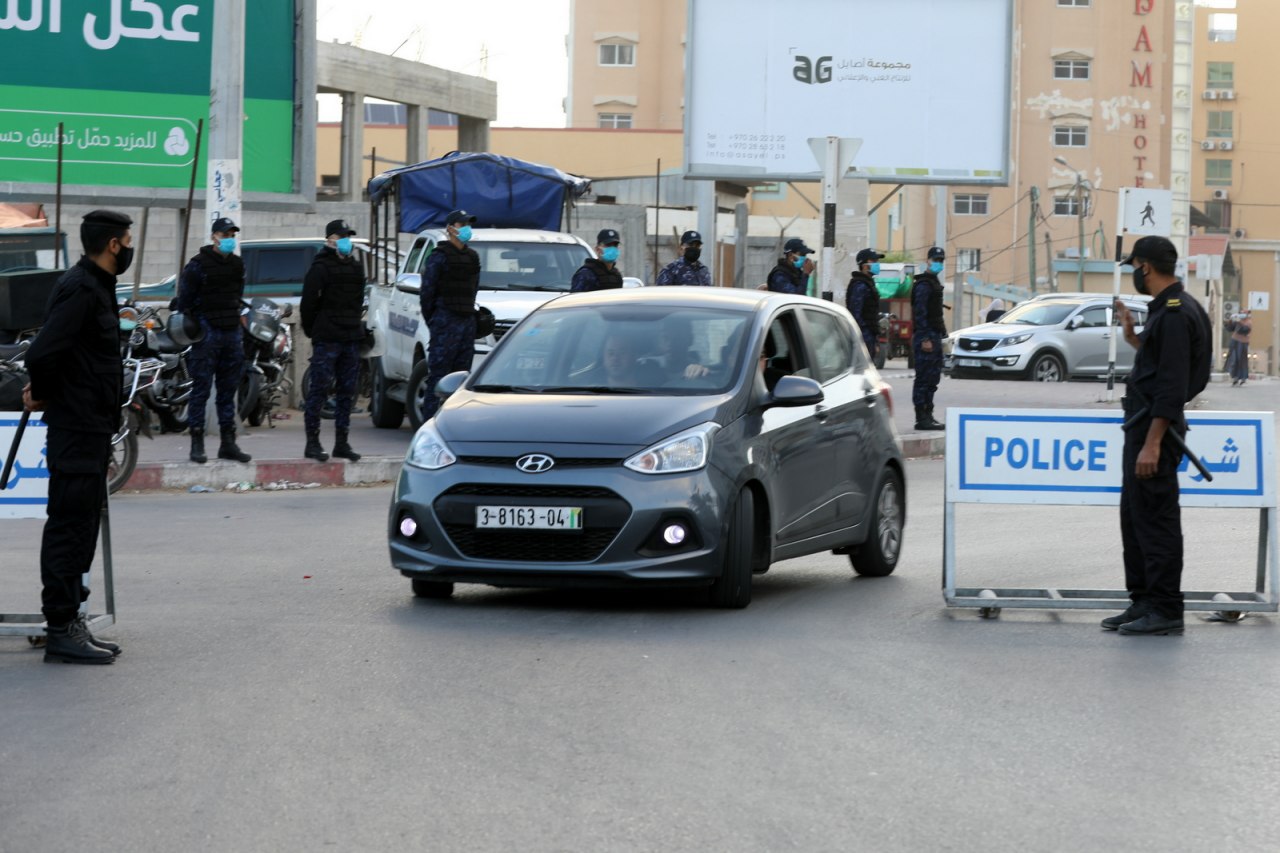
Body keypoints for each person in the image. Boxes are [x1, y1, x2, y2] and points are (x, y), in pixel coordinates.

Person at [20, 210, 132, 664]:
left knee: (82, 526)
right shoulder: (82, 289)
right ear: (112, 245)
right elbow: (44, 352)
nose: (128, 247)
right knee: (69, 527)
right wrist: (44, 393)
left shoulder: (97, 287)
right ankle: (62, 627)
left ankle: (70, 622)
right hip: (76, 427)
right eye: (126, 240)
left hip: (91, 427)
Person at [1104, 236, 1211, 636]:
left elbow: (1172, 384)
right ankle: (1144, 600)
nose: (1133, 273)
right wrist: (1133, 337)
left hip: (1155, 431)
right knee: (1135, 518)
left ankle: (1166, 608)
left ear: (1145, 266)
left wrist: (1152, 442)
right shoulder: (1172, 311)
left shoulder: (1176, 312)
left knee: (1156, 521)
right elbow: (1160, 364)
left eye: (1134, 266)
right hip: (1145, 426)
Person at [177, 216, 251, 464]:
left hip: (231, 331)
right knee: (200, 389)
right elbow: (184, 300)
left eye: (232, 235)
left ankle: (228, 444)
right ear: (213, 236)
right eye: (225, 234)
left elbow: (237, 295)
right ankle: (196, 443)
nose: (229, 239)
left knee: (228, 390)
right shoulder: (197, 265)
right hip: (206, 332)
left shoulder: (237, 265)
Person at [300, 219, 367, 462]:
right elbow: (308, 304)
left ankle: (342, 442)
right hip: (327, 337)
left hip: (350, 335)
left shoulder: (356, 268)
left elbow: (358, 300)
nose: (347, 240)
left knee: (347, 392)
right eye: (342, 236)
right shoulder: (320, 267)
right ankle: (313, 442)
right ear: (330, 240)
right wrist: (314, 330)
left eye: (348, 236)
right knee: (319, 389)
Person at [416, 210, 481, 424]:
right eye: (462, 224)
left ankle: (454, 427)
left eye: (468, 224)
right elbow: (427, 293)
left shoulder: (472, 257)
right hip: (445, 321)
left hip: (466, 322)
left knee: (461, 380)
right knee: (439, 378)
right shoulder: (439, 256)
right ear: (451, 228)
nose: (466, 228)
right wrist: (435, 321)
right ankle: (428, 428)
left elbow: (473, 290)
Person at [911, 246, 947, 431]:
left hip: (934, 335)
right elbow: (920, 313)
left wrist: (943, 334)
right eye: (936, 260)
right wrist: (925, 337)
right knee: (923, 378)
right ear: (928, 261)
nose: (938, 263)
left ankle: (928, 414)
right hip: (925, 337)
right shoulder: (924, 284)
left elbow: (936, 313)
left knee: (932, 378)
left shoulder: (933, 282)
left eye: (941, 260)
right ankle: (921, 417)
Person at [846, 248, 883, 360]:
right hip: (862, 337)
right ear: (864, 265)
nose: (877, 264)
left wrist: (875, 340)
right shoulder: (860, 285)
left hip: (869, 336)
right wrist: (862, 339)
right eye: (874, 261)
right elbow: (855, 315)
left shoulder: (869, 284)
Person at [1226, 311, 1251, 386]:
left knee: (1241, 360)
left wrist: (1240, 322)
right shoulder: (1237, 320)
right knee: (1233, 359)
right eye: (1241, 312)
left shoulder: (1248, 322)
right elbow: (1230, 329)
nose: (1242, 314)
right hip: (1234, 341)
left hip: (1243, 343)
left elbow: (1245, 331)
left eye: (1244, 313)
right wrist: (1230, 321)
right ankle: (1234, 377)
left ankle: (1242, 377)